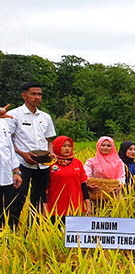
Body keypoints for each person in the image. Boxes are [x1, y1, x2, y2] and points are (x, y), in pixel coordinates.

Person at [7, 82, 56, 226]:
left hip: (42, 165)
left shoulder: (45, 117)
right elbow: (8, 140)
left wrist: (51, 154)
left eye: (39, 94)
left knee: (39, 199)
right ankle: (11, 231)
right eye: (33, 94)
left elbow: (48, 141)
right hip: (22, 164)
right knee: (18, 198)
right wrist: (23, 154)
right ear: (24, 96)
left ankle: (33, 231)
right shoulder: (14, 115)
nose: (37, 97)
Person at [46, 136, 91, 219]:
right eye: (64, 146)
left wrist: (88, 205)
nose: (67, 149)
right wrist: (43, 208)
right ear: (56, 146)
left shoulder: (77, 163)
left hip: (76, 207)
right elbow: (44, 187)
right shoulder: (50, 164)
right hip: (55, 208)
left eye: (69, 146)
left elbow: (83, 185)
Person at [0, 105, 23, 229]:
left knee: (6, 211)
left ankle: (6, 242)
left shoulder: (4, 123)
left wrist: (17, 171)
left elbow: (9, 149)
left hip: (6, 178)